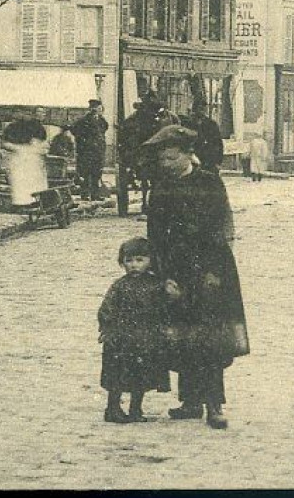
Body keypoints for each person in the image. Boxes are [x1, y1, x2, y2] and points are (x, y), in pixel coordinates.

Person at [143, 125, 249, 429]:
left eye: (171, 158)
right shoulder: (161, 187)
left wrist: (214, 273)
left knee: (212, 337)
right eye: (162, 159)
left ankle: (214, 403)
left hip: (210, 270)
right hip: (177, 270)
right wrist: (163, 276)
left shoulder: (210, 183)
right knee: (183, 335)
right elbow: (155, 235)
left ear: (189, 154)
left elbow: (221, 228)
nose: (166, 164)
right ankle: (190, 401)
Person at [97, 236, 172, 423]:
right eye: (128, 261)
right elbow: (106, 309)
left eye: (140, 260)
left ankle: (136, 409)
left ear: (150, 261)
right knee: (117, 374)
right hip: (121, 340)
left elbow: (164, 308)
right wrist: (108, 328)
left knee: (141, 374)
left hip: (145, 339)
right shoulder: (120, 286)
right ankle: (112, 408)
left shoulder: (156, 285)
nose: (134, 265)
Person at [117, 95, 167, 217]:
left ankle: (150, 203)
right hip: (135, 154)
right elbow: (124, 139)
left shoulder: (158, 122)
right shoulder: (131, 121)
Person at [69, 99, 110, 201]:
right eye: (98, 109)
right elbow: (75, 130)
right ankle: (85, 194)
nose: (100, 111)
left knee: (96, 173)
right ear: (92, 109)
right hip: (87, 151)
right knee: (85, 173)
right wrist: (83, 141)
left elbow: (105, 129)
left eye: (101, 109)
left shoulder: (101, 121)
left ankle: (95, 194)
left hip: (98, 151)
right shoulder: (84, 120)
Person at [182, 93, 226, 172]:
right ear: (194, 109)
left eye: (203, 108)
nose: (202, 111)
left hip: (209, 161)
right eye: (199, 108)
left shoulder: (211, 124)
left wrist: (218, 162)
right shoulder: (188, 124)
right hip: (192, 160)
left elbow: (218, 144)